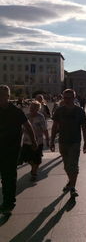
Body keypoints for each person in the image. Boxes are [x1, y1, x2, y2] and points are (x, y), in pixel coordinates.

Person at [0, 85, 37, 214]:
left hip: (12, 149)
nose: (1, 97)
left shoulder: (16, 111)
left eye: (3, 95)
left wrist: (34, 141)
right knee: (5, 176)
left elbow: (28, 126)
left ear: (8, 97)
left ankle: (8, 203)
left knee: (8, 176)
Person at [50, 89, 86, 198]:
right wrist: (52, 141)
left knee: (73, 165)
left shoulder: (80, 111)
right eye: (65, 98)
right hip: (63, 141)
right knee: (67, 166)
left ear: (74, 98)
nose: (67, 100)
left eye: (69, 98)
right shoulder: (59, 111)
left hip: (75, 141)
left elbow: (84, 128)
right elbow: (54, 126)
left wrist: (85, 143)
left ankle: (72, 188)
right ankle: (71, 182)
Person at [21, 101, 50, 181]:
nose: (31, 109)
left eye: (34, 108)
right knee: (26, 157)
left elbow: (45, 129)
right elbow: (21, 129)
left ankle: (34, 172)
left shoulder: (40, 117)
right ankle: (33, 166)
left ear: (38, 109)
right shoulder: (26, 116)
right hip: (26, 141)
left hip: (38, 141)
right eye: (31, 107)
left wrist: (47, 139)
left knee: (37, 159)